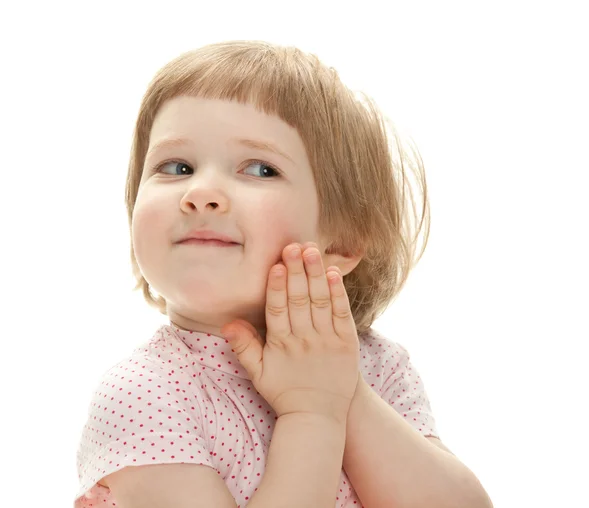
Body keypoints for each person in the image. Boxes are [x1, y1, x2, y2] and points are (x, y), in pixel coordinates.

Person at [75, 40, 492, 508]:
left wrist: (343, 392)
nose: (201, 192)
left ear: (342, 243)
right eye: (177, 166)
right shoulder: (145, 394)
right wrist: (311, 411)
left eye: (259, 169)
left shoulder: (375, 366)